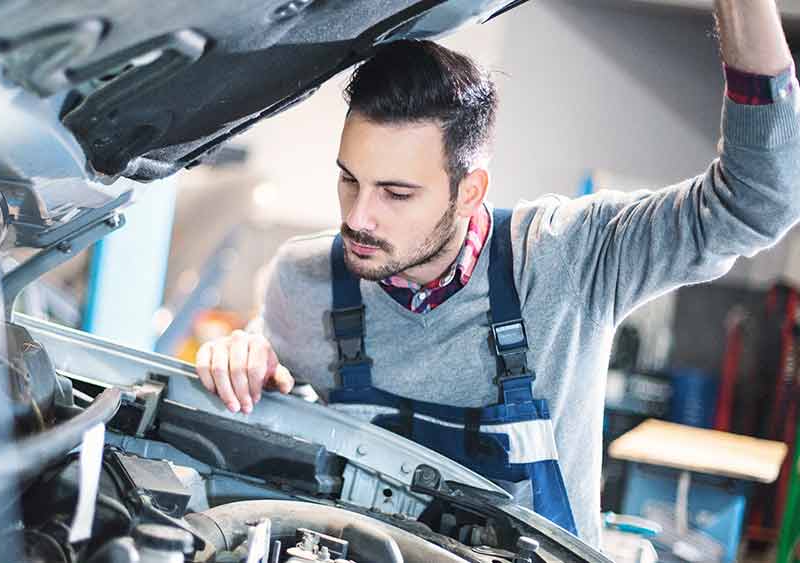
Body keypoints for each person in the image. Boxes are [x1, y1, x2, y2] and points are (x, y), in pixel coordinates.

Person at [194, 0, 800, 546]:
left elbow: (755, 201)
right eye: (349, 178)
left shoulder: (570, 259)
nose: (358, 217)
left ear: (468, 192)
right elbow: (276, 394)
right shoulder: (304, 282)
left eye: (396, 193)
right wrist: (248, 362)